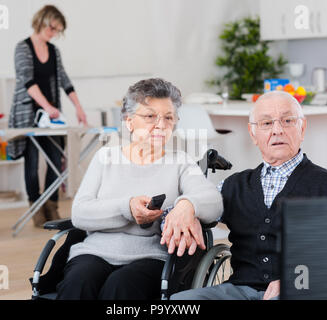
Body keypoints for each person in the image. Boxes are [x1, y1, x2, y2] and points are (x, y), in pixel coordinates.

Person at [170, 90, 327, 300]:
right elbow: (204, 202)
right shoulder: (234, 185)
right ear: (253, 134)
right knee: (181, 302)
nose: (277, 130)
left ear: (302, 128)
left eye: (287, 121)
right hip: (239, 289)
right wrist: (187, 206)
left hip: (302, 290)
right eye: (266, 123)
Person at [55, 78, 223, 300]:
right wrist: (127, 207)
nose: (161, 125)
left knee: (121, 286)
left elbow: (214, 201)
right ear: (129, 121)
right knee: (79, 282)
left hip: (151, 257)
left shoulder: (181, 162)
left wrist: (187, 205)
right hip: (94, 251)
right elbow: (80, 213)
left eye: (168, 117)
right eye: (150, 116)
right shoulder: (105, 158)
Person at [8, 5, 87, 227]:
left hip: (51, 118)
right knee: (32, 162)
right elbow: (27, 81)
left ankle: (51, 205)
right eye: (52, 27)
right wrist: (46, 106)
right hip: (29, 114)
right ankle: (35, 206)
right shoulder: (22, 48)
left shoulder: (54, 52)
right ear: (41, 21)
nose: (53, 33)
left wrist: (78, 108)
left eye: (57, 30)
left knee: (55, 159)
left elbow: (64, 80)